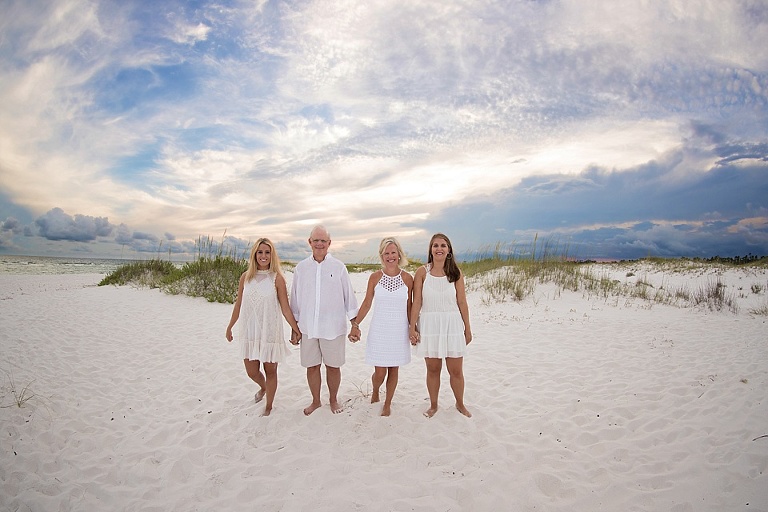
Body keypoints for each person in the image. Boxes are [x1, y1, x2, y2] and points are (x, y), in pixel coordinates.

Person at [226, 238, 301, 416]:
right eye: (260, 252)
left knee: (271, 370)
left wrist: (296, 329)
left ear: (272, 255)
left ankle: (268, 406)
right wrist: (230, 327)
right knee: (251, 371)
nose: (264, 256)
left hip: (269, 331)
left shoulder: (277, 279)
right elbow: (238, 304)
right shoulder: (246, 277)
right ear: (254, 255)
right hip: (249, 330)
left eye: (267, 252)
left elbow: (285, 306)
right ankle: (263, 387)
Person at [291, 225, 359, 415]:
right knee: (312, 367)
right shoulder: (301, 268)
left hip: (333, 327)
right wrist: (294, 328)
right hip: (308, 327)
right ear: (309, 242)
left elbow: (349, 299)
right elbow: (295, 300)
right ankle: (315, 401)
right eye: (316, 240)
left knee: (333, 366)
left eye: (323, 241)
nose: (319, 244)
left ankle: (333, 400)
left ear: (329, 243)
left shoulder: (339, 267)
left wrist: (355, 324)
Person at [409, 233, 472, 418]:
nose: (439, 249)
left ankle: (460, 404)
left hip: (452, 325)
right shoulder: (422, 272)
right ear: (430, 249)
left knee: (456, 370)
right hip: (429, 324)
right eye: (435, 245)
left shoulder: (456, 273)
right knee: (433, 369)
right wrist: (412, 327)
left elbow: (462, 302)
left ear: (449, 250)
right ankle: (434, 405)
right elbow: (417, 301)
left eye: (443, 245)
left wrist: (467, 328)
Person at [348, 237, 414, 416]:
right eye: (387, 253)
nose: (390, 256)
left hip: (398, 331)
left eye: (393, 252)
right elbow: (367, 303)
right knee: (380, 372)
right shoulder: (375, 277)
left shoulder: (408, 279)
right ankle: (376, 389)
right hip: (380, 330)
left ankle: (387, 403)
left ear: (399, 254)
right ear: (382, 256)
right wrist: (355, 324)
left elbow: (410, 308)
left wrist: (413, 328)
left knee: (394, 369)